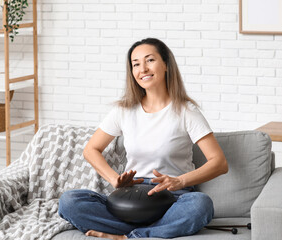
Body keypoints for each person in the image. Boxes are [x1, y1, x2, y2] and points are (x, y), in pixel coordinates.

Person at [58, 38, 228, 239]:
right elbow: (90, 149)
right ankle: (157, 231)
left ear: (166, 65)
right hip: (131, 196)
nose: (143, 69)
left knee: (201, 204)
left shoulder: (186, 111)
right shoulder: (124, 110)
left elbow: (219, 163)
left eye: (150, 60)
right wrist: (114, 179)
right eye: (136, 64)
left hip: (173, 197)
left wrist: (179, 181)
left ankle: (129, 236)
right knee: (69, 201)